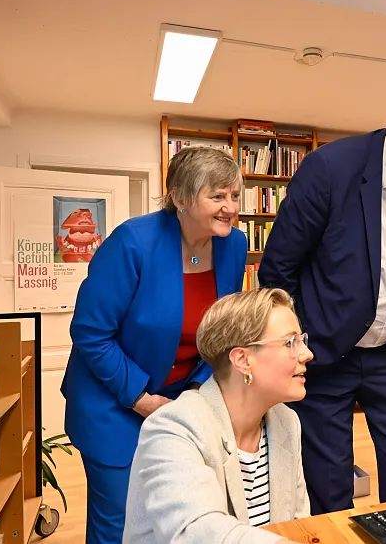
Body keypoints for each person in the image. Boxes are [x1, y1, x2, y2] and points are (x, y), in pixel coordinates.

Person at [258, 75, 386, 514]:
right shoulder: (330, 169)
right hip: (325, 354)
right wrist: (298, 344)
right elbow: (278, 270)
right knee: (328, 486)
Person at [61, 146, 248, 544]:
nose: (230, 207)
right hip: (111, 402)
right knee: (120, 522)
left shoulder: (233, 245)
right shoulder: (132, 242)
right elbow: (91, 334)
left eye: (233, 195)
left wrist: (196, 392)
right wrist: (140, 399)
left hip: (179, 400)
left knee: (176, 511)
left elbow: (220, 330)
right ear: (181, 198)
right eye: (216, 196)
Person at [123, 288, 312, 544]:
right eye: (290, 343)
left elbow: (298, 525)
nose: (306, 354)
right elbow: (197, 532)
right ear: (243, 359)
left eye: (302, 341)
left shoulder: (285, 422)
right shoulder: (172, 429)